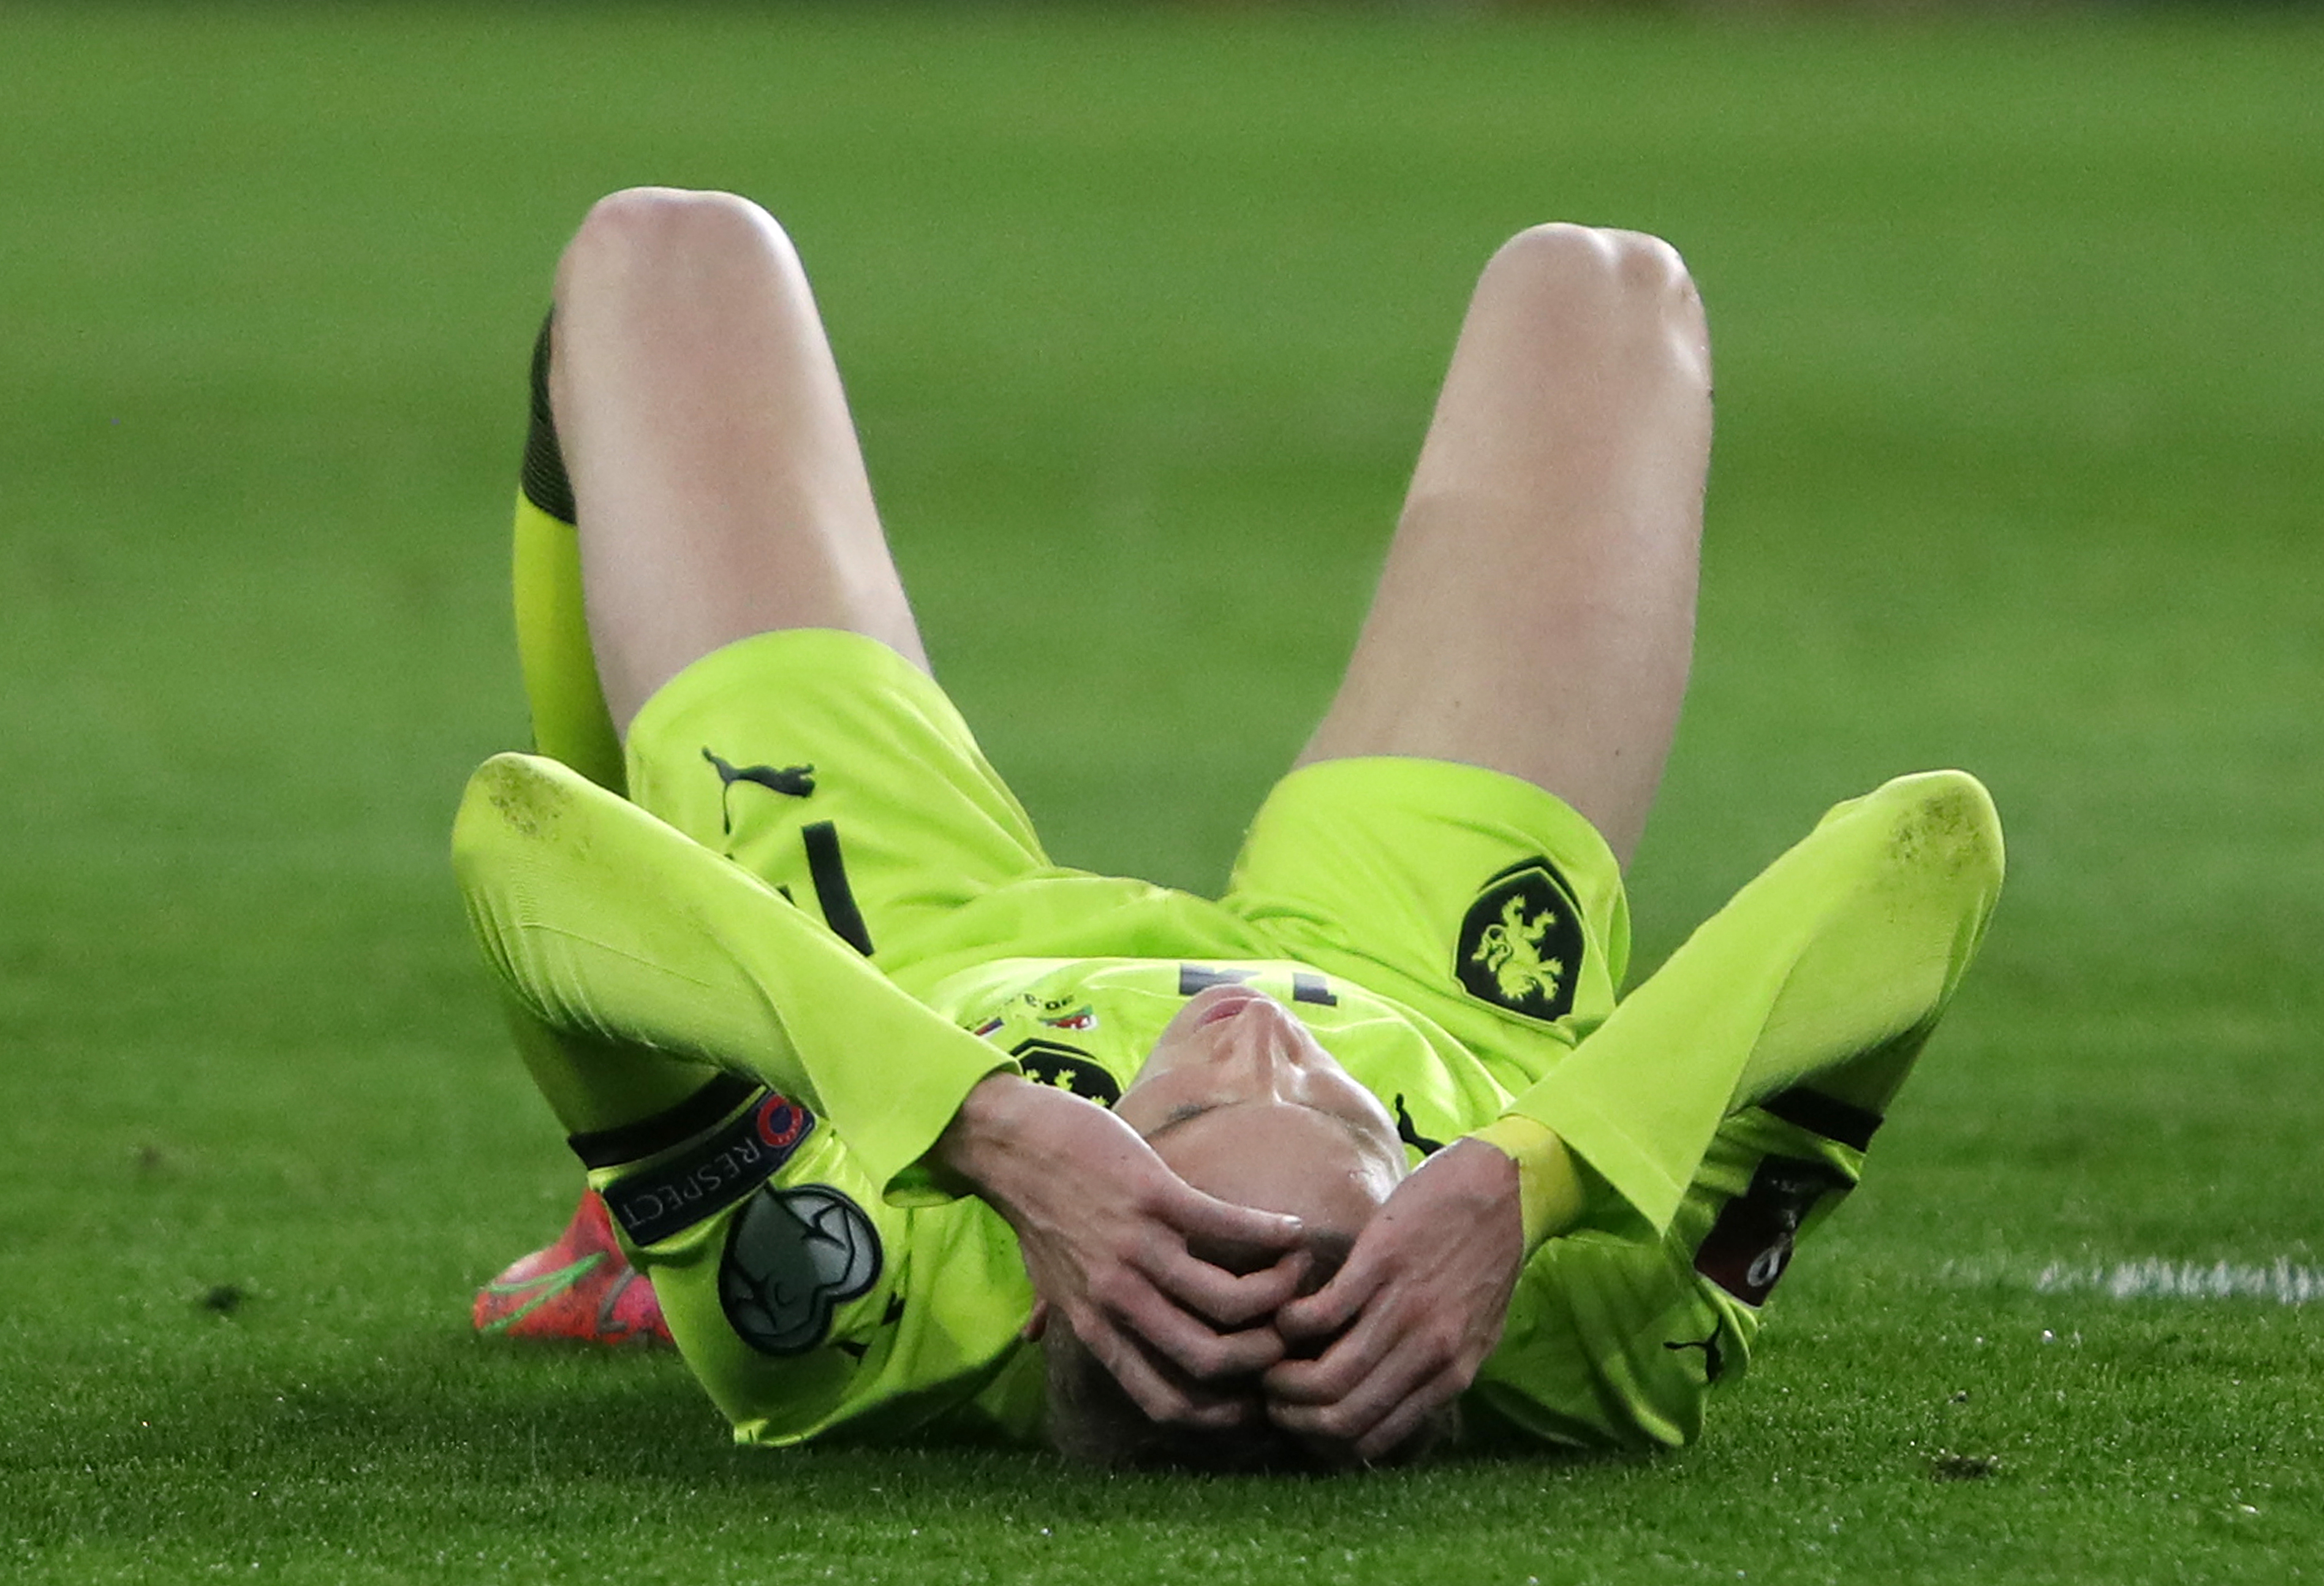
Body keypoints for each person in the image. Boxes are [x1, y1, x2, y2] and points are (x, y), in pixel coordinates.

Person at [454, 188, 2004, 1468]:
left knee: (663, 256)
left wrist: (984, 1124)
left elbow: (519, 836)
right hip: (1424, 955)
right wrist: (1519, 1176)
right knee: (1602, 292)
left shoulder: (858, 1310)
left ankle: (620, 1201)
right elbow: (1930, 849)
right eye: (1366, 1127)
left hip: (901, 949)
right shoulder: (1576, 1323)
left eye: (1174, 1120)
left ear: (1066, 1276)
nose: (1253, 1023)